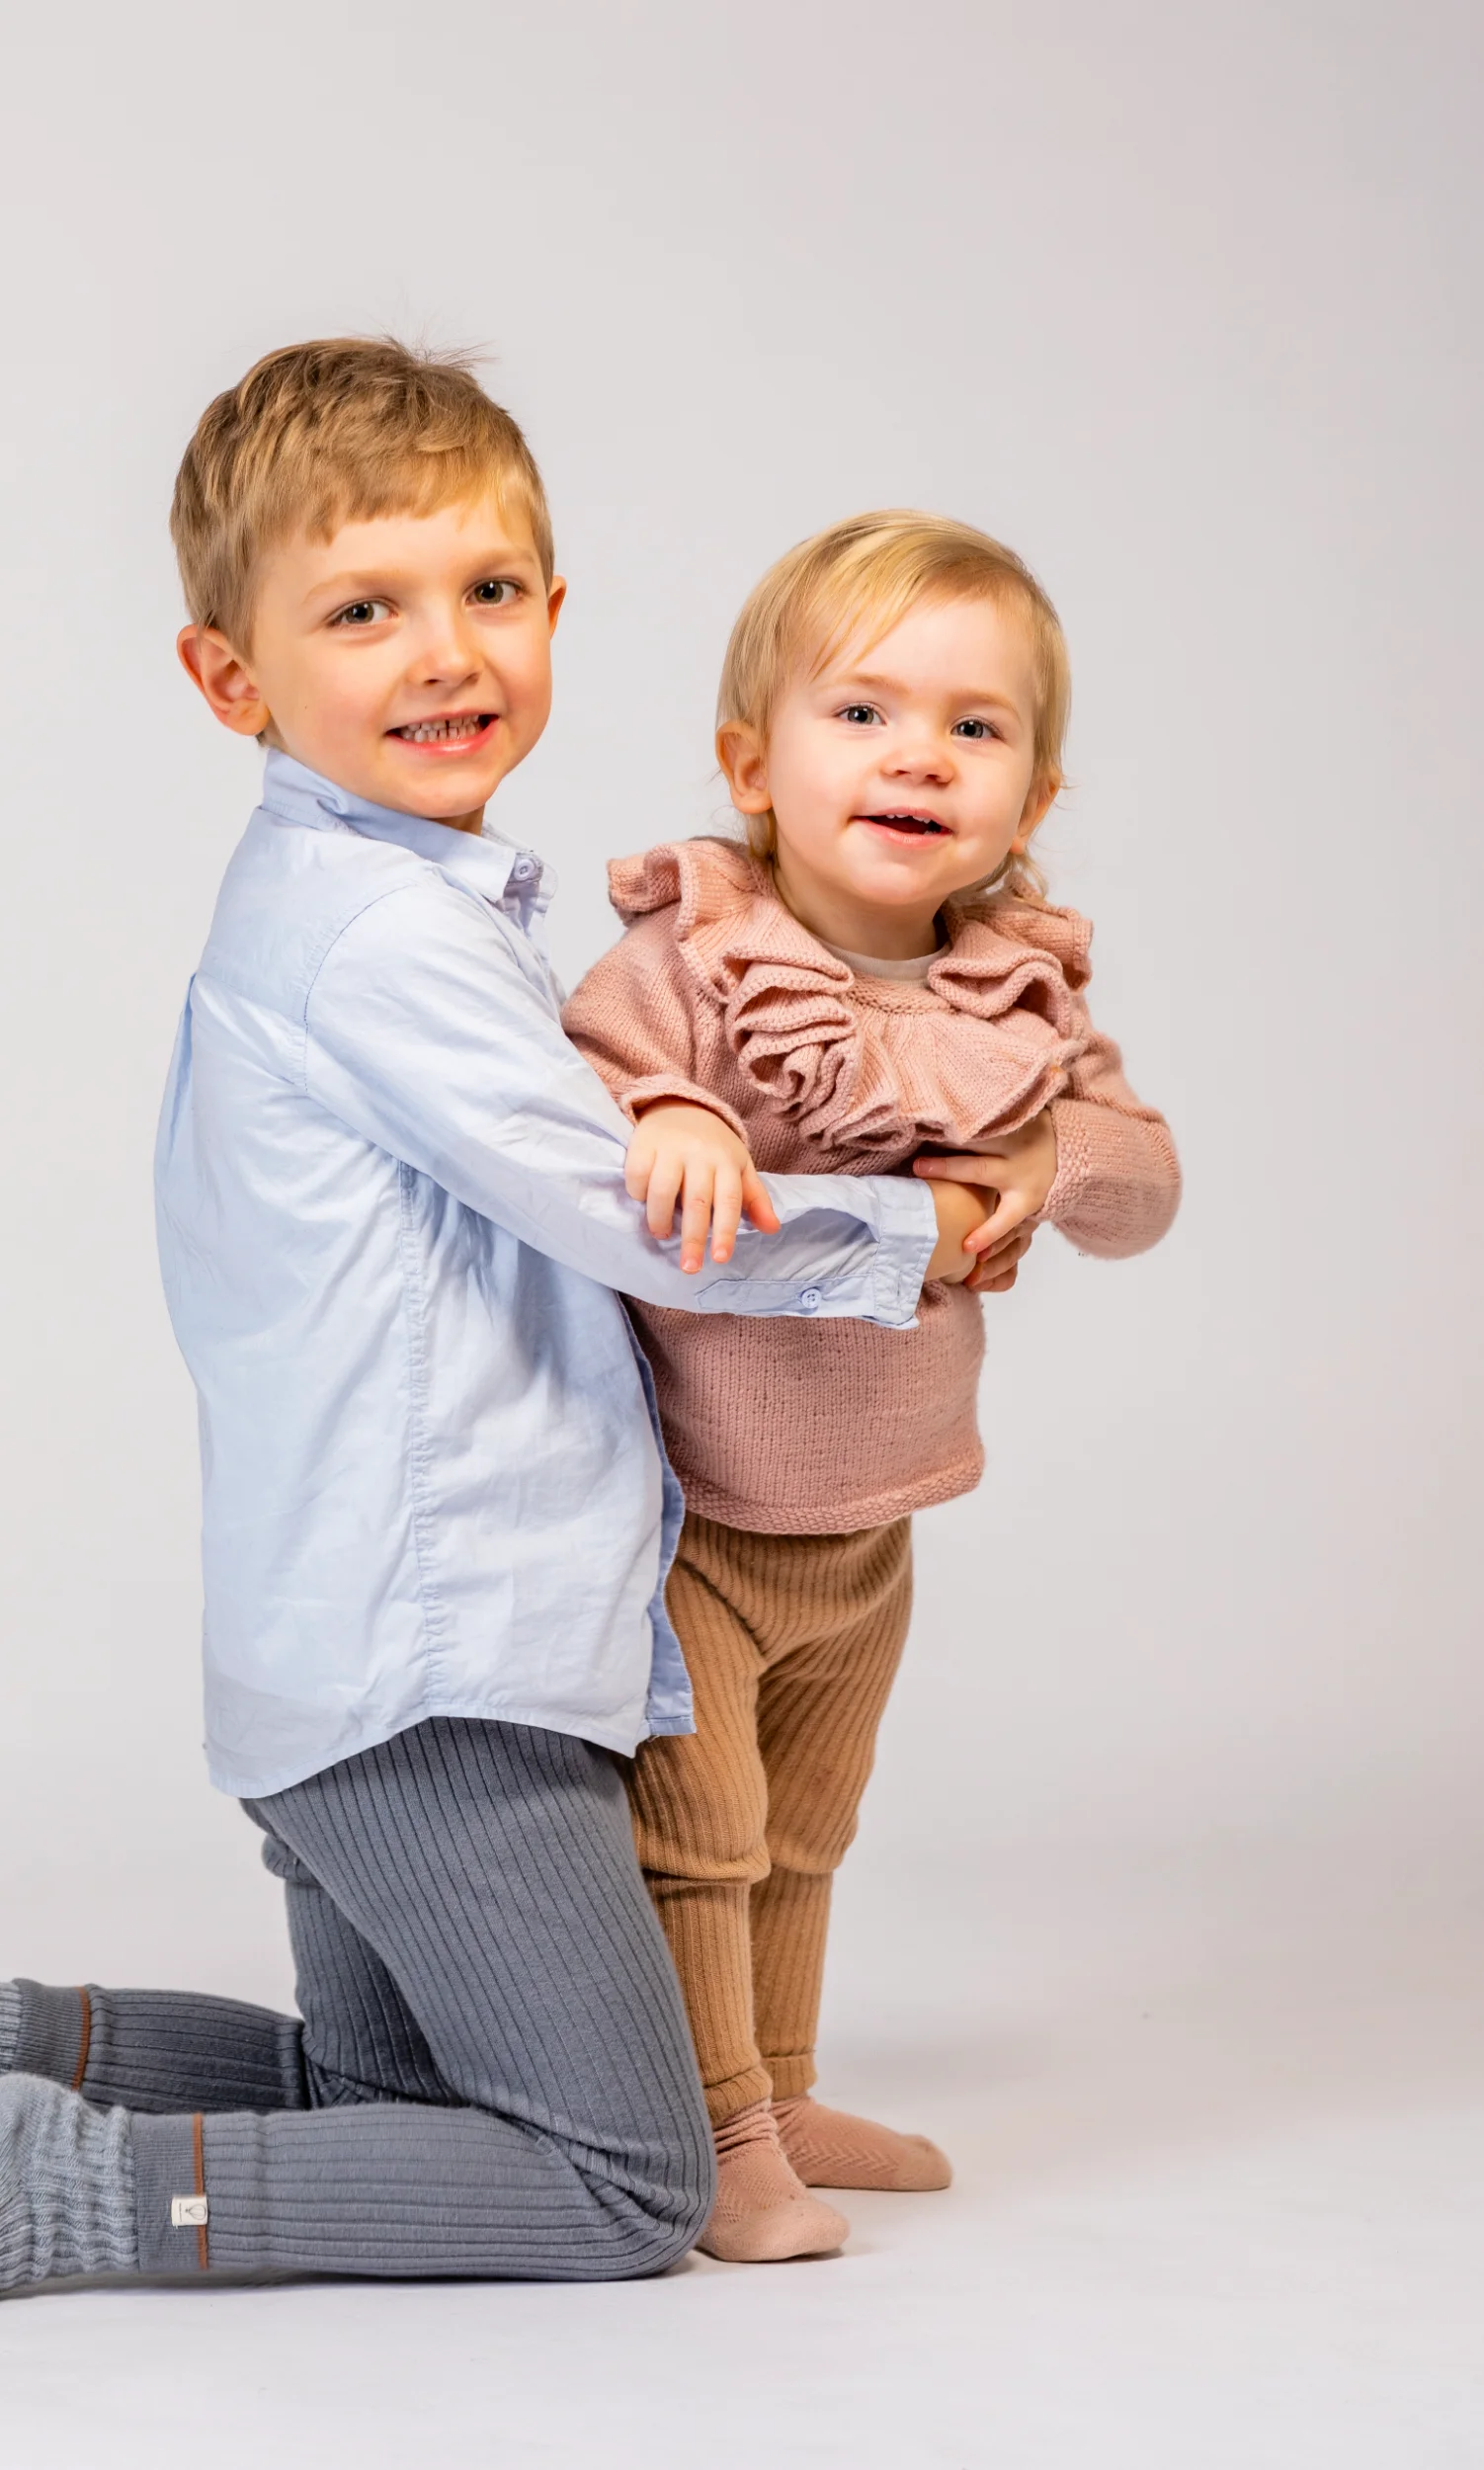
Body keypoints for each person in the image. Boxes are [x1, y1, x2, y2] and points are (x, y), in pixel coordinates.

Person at [0, 350, 992, 2294]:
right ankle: (66, 2195)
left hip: (363, 1648)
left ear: (550, 614)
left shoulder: (396, 900)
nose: (443, 651)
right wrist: (935, 1222)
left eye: (485, 592)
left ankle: (49, 2040)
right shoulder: (376, 937)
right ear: (233, 678)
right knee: (621, 2178)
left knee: (390, 2081)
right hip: (438, 1668)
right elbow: (645, 1223)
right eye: (362, 608)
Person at [563, 510, 1182, 2262]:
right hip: (694, 1513)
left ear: (1031, 799)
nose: (919, 754)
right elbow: (563, 1110)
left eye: (975, 729)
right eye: (862, 713)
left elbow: (1143, 1183)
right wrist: (672, 1108)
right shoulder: (692, 962)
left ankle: (785, 2078)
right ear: (750, 761)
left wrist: (1022, 1173)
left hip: (874, 1516)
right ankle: (718, 2138)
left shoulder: (1014, 991)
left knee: (811, 1832)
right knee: (706, 1836)